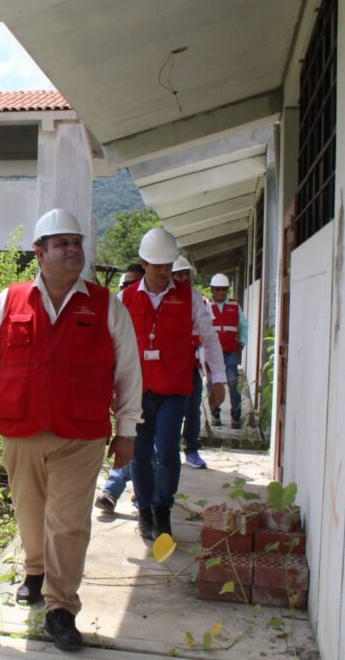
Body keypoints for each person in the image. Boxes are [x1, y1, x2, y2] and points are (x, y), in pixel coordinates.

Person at [0, 208, 142, 652]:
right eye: (62, 244)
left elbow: (129, 372)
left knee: (69, 521)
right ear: (39, 253)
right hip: (21, 430)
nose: (73, 250)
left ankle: (61, 608)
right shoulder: (9, 300)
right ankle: (34, 569)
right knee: (29, 511)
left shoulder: (105, 305)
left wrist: (128, 429)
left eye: (76, 243)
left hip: (82, 434)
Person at [122, 228, 224, 541]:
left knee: (167, 450)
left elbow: (209, 338)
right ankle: (144, 512)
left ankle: (162, 511)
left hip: (175, 388)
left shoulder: (190, 299)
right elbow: (108, 343)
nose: (165, 271)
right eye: (158, 266)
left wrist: (218, 379)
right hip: (138, 390)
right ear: (144, 263)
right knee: (140, 455)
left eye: (168, 265)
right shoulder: (123, 299)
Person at [171, 257, 208, 469]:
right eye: (180, 274)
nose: (185, 278)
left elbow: (207, 334)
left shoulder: (200, 301)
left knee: (193, 408)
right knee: (171, 409)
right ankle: (168, 448)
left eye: (187, 274)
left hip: (192, 365)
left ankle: (192, 450)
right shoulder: (164, 300)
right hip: (171, 366)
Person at [207, 273, 248, 428]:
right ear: (212, 290)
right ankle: (215, 414)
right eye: (217, 289)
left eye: (224, 290)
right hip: (212, 353)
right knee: (212, 382)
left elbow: (244, 326)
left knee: (233, 382)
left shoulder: (234, 306)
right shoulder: (206, 305)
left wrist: (242, 343)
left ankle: (236, 415)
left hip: (230, 352)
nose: (221, 293)